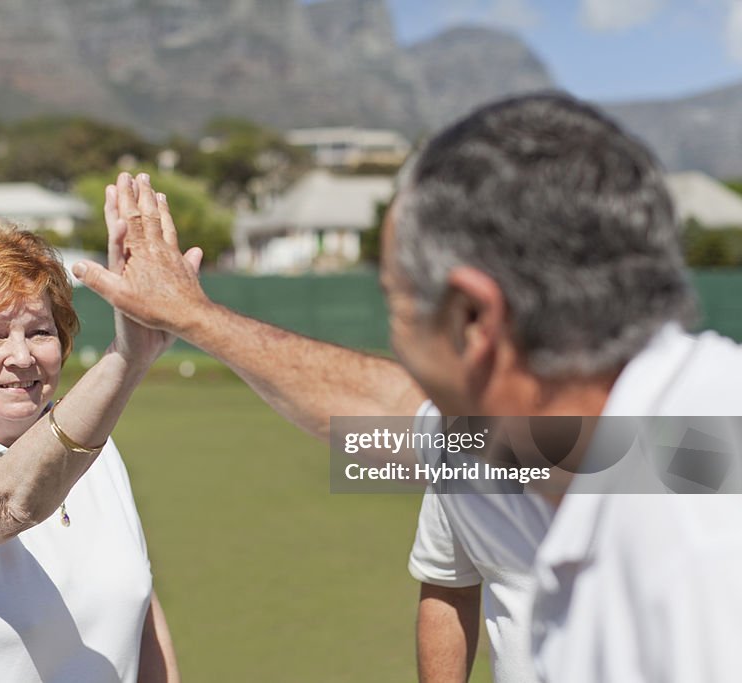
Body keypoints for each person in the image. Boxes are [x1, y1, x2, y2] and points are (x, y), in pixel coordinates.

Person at [73, 92, 742, 682]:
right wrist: (195, 317)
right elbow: (383, 411)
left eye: (394, 297)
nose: (393, 336)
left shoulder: (706, 506)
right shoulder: (544, 441)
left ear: (474, 319)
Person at [0, 216, 200, 682]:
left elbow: (141, 609)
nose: (22, 356)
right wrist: (128, 357)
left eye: (40, 332)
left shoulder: (100, 452)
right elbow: (11, 502)